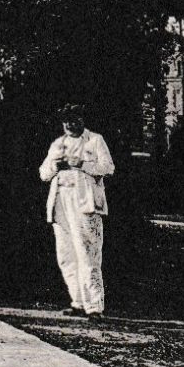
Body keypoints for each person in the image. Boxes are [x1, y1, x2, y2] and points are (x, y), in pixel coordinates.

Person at [38, 105, 116, 320]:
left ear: (82, 120)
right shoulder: (58, 144)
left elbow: (108, 167)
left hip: (84, 202)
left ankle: (94, 306)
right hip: (61, 201)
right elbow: (43, 174)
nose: (70, 125)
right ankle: (78, 301)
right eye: (66, 121)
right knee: (66, 254)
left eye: (74, 120)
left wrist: (82, 164)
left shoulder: (95, 141)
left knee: (87, 253)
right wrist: (56, 166)